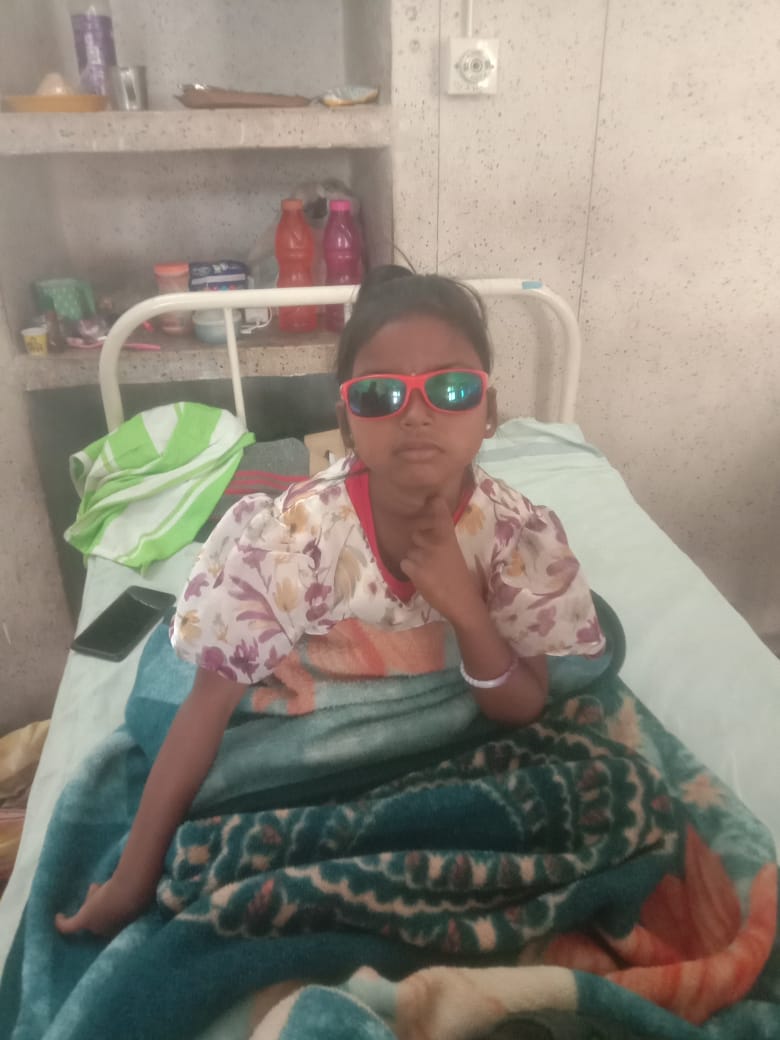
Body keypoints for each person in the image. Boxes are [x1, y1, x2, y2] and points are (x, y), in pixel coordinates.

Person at [55, 267, 605, 939]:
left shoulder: (514, 537)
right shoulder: (292, 537)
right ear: (347, 421)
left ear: (489, 412)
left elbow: (522, 705)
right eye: (379, 394)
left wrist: (466, 609)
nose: (417, 413)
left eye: (452, 388)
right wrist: (131, 880)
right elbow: (208, 704)